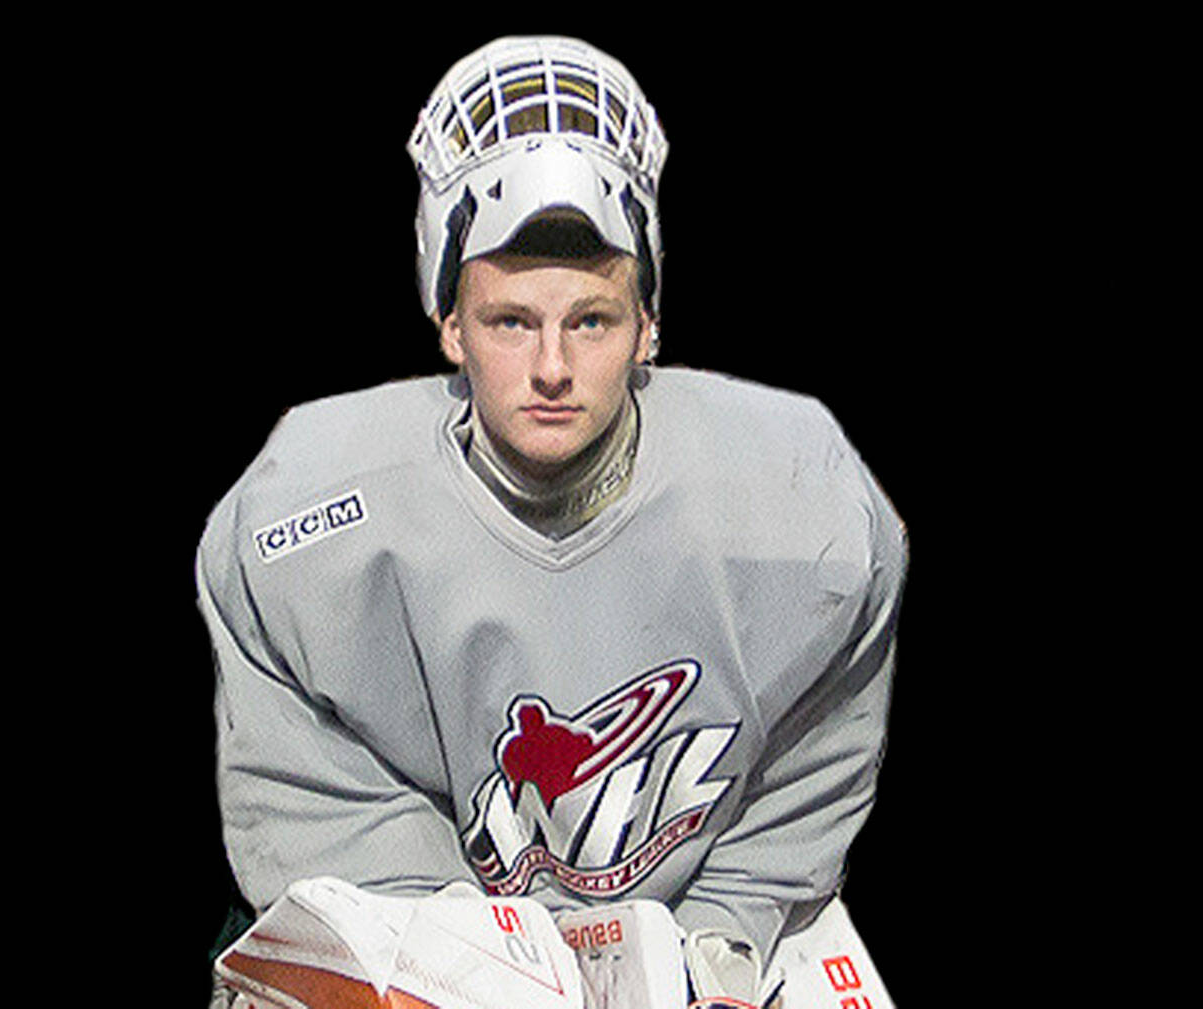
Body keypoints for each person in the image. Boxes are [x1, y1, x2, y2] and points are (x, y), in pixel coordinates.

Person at [200, 35, 907, 1008]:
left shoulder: (805, 508)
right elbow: (306, 793)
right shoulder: (300, 528)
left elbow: (812, 760)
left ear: (648, 326)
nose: (548, 368)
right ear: (448, 323)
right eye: (508, 321)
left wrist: (718, 939)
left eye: (590, 320)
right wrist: (445, 945)